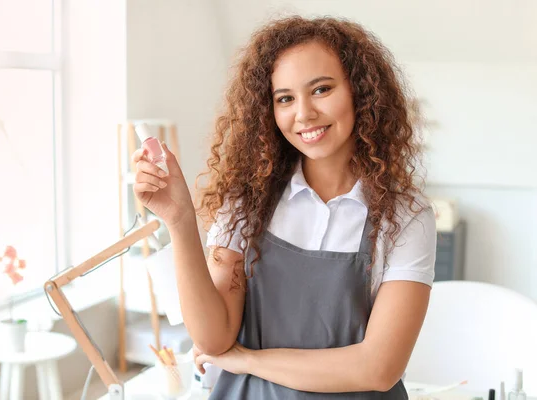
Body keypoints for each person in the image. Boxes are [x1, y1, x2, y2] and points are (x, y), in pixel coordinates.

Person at [133, 15, 436, 399]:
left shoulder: (405, 215)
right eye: (285, 99)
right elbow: (213, 338)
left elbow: (378, 368)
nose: (304, 113)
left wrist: (246, 360)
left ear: (361, 92)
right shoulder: (247, 202)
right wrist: (179, 220)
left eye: (322, 89)